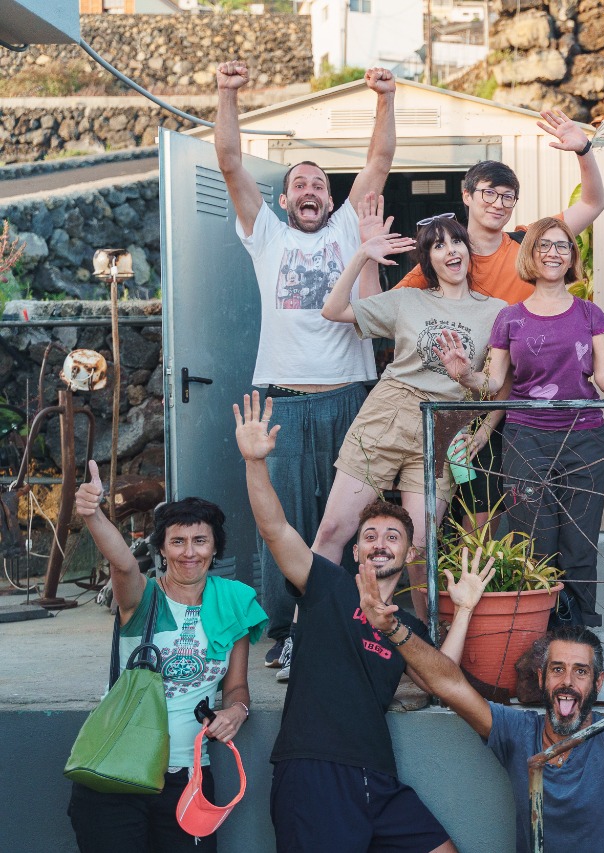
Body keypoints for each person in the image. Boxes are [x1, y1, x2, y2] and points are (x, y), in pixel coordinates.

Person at [236, 391, 498, 853]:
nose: (380, 543)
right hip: (314, 769)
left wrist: (464, 610)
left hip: (378, 777)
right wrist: (255, 463)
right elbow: (275, 530)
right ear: (355, 550)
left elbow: (442, 679)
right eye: (370, 535)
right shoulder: (326, 585)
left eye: (392, 536)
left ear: (410, 553)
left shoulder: (406, 627)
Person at [353, 558, 604, 853]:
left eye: (580, 672)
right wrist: (392, 629)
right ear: (541, 679)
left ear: (598, 682)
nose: (567, 681)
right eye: (557, 669)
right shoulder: (516, 733)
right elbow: (449, 684)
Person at [215, 59, 397, 672]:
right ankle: (289, 629)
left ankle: (346, 622)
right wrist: (227, 92)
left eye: (319, 183)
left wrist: (385, 98)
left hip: (350, 397)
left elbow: (379, 160)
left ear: (331, 197)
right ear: (284, 198)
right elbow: (230, 162)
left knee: (348, 521)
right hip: (285, 403)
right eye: (300, 184)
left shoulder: (348, 227)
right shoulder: (265, 234)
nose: (310, 191)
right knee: (285, 522)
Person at [437, 217, 604, 629]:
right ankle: (536, 632)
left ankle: (579, 635)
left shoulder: (590, 313)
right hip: (526, 439)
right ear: (531, 254)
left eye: (562, 245)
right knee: (534, 540)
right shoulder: (510, 318)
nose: (553, 253)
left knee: (580, 543)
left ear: (572, 256)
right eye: (544, 245)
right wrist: (465, 375)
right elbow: (494, 382)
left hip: (585, 439)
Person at [394, 113, 604, 533]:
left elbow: (593, 204)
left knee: (490, 521)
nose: (498, 203)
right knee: (431, 519)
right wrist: (368, 257)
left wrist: (584, 150)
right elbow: (390, 309)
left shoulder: (528, 244)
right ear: (467, 195)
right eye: (489, 193)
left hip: (513, 401)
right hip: (450, 399)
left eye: (508, 197)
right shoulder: (444, 255)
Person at [314, 195, 506, 620]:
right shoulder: (408, 300)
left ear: (467, 250)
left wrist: (472, 396)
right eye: (438, 245)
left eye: (456, 242)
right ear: (428, 260)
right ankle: (305, 634)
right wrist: (363, 254)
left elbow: (498, 385)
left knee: (419, 548)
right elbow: (333, 309)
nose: (450, 251)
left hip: (445, 424)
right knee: (333, 530)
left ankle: (422, 641)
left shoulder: (497, 312)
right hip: (389, 413)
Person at [67, 461, 266, 853]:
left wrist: (237, 711)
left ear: (215, 547)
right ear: (160, 548)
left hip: (188, 778)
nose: (189, 552)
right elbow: (124, 563)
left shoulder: (234, 603)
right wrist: (93, 515)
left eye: (200, 540)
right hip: (117, 770)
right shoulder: (141, 597)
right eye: (177, 541)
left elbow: (236, 686)